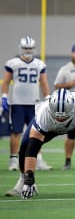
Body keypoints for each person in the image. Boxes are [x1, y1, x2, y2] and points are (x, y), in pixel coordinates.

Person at [5, 88, 75, 198]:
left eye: (63, 117)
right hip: (50, 128)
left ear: (73, 109)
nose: (60, 120)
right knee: (25, 146)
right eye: (57, 117)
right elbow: (32, 149)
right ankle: (22, 182)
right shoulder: (43, 114)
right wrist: (29, 178)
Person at [1, 36, 52, 171]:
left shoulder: (39, 64)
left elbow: (44, 83)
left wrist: (47, 98)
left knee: (38, 132)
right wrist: (4, 97)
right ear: (21, 48)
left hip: (34, 104)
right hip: (17, 103)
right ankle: (13, 160)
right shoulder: (13, 63)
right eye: (26, 48)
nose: (28, 51)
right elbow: (5, 81)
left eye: (30, 48)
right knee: (16, 132)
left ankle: (39, 159)